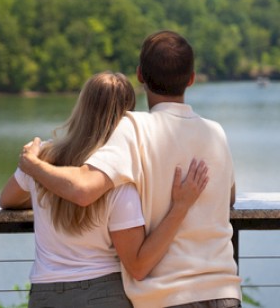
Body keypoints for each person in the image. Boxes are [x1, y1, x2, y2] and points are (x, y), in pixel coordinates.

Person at [18, 31, 242, 308]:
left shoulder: (134, 129)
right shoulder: (215, 133)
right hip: (223, 291)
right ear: (192, 78)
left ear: (140, 75)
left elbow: (84, 189)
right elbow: (227, 197)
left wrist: (33, 165)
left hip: (168, 296)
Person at [0, 71, 208, 308]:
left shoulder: (43, 158)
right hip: (104, 293)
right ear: (126, 116)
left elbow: (7, 199)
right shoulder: (117, 176)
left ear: (82, 105)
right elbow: (138, 265)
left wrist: (45, 194)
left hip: (45, 293)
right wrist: (179, 207)